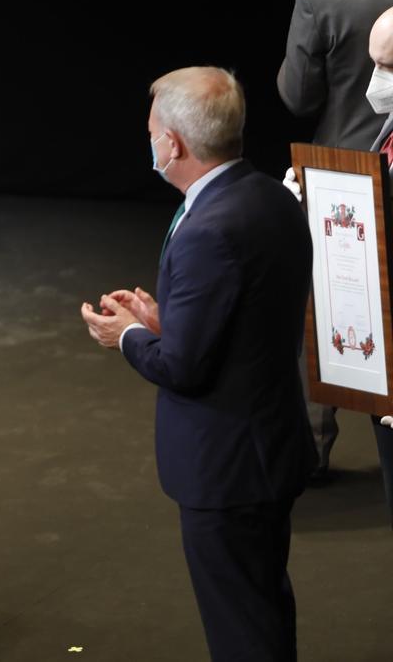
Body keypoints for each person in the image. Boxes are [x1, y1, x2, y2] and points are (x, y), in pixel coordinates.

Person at [81, 67, 317, 660]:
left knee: (241, 627)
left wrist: (130, 334)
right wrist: (169, 321)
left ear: (174, 144)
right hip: (271, 446)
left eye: (153, 131)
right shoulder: (268, 196)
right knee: (262, 605)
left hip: (228, 466)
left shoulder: (207, 228)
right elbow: (247, 318)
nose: (151, 141)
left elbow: (184, 368)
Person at [277, 0, 393, 479]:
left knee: (330, 304)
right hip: (373, 155)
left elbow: (297, 95)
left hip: (347, 165)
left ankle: (314, 447)